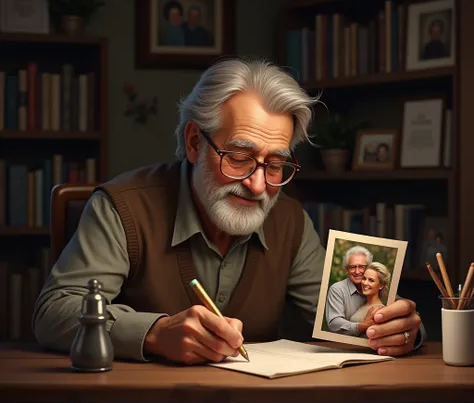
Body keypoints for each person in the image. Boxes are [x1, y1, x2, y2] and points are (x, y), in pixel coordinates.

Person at [32, 58, 423, 365]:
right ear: (193, 143)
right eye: (238, 157)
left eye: (274, 165)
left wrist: (395, 330)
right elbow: (54, 312)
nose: (257, 185)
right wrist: (154, 333)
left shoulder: (289, 220)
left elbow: (340, 320)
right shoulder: (122, 206)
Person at [326, 246, 377, 337]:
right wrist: (362, 326)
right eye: (352, 267)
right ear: (347, 269)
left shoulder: (376, 287)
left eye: (361, 267)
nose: (357, 272)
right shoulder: (337, 289)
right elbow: (334, 322)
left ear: (368, 268)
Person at [350, 262, 391, 337]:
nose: (365, 283)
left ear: (381, 285)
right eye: (364, 278)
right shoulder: (363, 305)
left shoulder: (379, 310)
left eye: (371, 280)